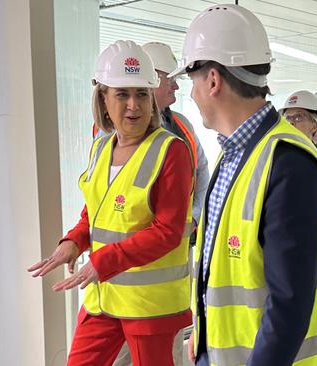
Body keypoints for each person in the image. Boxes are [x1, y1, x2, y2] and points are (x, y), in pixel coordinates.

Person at [171, 4, 317, 365]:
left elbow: (289, 303)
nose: (192, 95)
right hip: (222, 351)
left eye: (191, 82)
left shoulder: (288, 163)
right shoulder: (237, 153)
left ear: (212, 80)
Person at [27, 40, 194, 366]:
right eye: (122, 94)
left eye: (142, 94)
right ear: (103, 99)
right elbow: (96, 212)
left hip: (150, 305)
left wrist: (102, 262)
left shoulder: (171, 151)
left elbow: (168, 232)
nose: (134, 105)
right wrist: (74, 241)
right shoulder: (101, 149)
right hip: (103, 297)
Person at [111, 40, 210, 366]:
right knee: (124, 352)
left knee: (167, 345)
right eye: (170, 78)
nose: (176, 85)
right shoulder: (113, 135)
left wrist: (192, 220)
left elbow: (202, 176)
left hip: (175, 263)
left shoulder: (182, 126)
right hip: (131, 269)